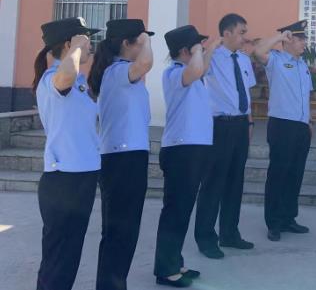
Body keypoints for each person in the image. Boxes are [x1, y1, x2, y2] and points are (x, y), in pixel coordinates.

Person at [32, 17, 101, 290]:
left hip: (83, 175)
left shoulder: (79, 82)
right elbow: (64, 78)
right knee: (58, 255)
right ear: (69, 44)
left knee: (70, 254)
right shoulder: (53, 79)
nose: (90, 46)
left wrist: (77, 47)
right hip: (63, 180)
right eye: (86, 40)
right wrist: (76, 48)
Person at [88, 19, 154, 290]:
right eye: (140, 41)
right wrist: (147, 40)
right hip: (121, 159)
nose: (144, 46)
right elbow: (146, 63)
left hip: (130, 157)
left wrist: (143, 39)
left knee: (125, 231)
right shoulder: (117, 71)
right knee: (119, 231)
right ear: (127, 43)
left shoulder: (123, 72)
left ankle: (114, 284)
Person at [153, 25, 219, 288]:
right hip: (181, 150)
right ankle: (165, 270)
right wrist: (199, 51)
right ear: (184, 50)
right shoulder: (174, 73)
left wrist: (209, 48)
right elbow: (197, 69)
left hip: (195, 149)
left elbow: (202, 67)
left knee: (183, 210)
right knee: (175, 211)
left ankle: (174, 262)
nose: (199, 49)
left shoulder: (194, 74)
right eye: (195, 46)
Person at [195, 14, 256, 258]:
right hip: (219, 126)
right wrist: (211, 47)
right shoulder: (212, 57)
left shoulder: (243, 59)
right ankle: (205, 238)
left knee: (235, 182)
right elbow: (199, 71)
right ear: (227, 33)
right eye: (241, 32)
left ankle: (230, 233)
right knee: (213, 183)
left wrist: (250, 122)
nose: (244, 37)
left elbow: (246, 94)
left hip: (240, 125)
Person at [253, 20, 313, 242]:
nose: (304, 43)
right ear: (288, 40)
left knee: (295, 174)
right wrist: (279, 36)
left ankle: (289, 217)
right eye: (299, 39)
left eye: (304, 39)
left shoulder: (303, 65)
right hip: (282, 125)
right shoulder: (276, 61)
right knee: (278, 174)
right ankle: (274, 222)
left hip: (301, 126)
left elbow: (305, 97)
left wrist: (309, 122)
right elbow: (258, 51)